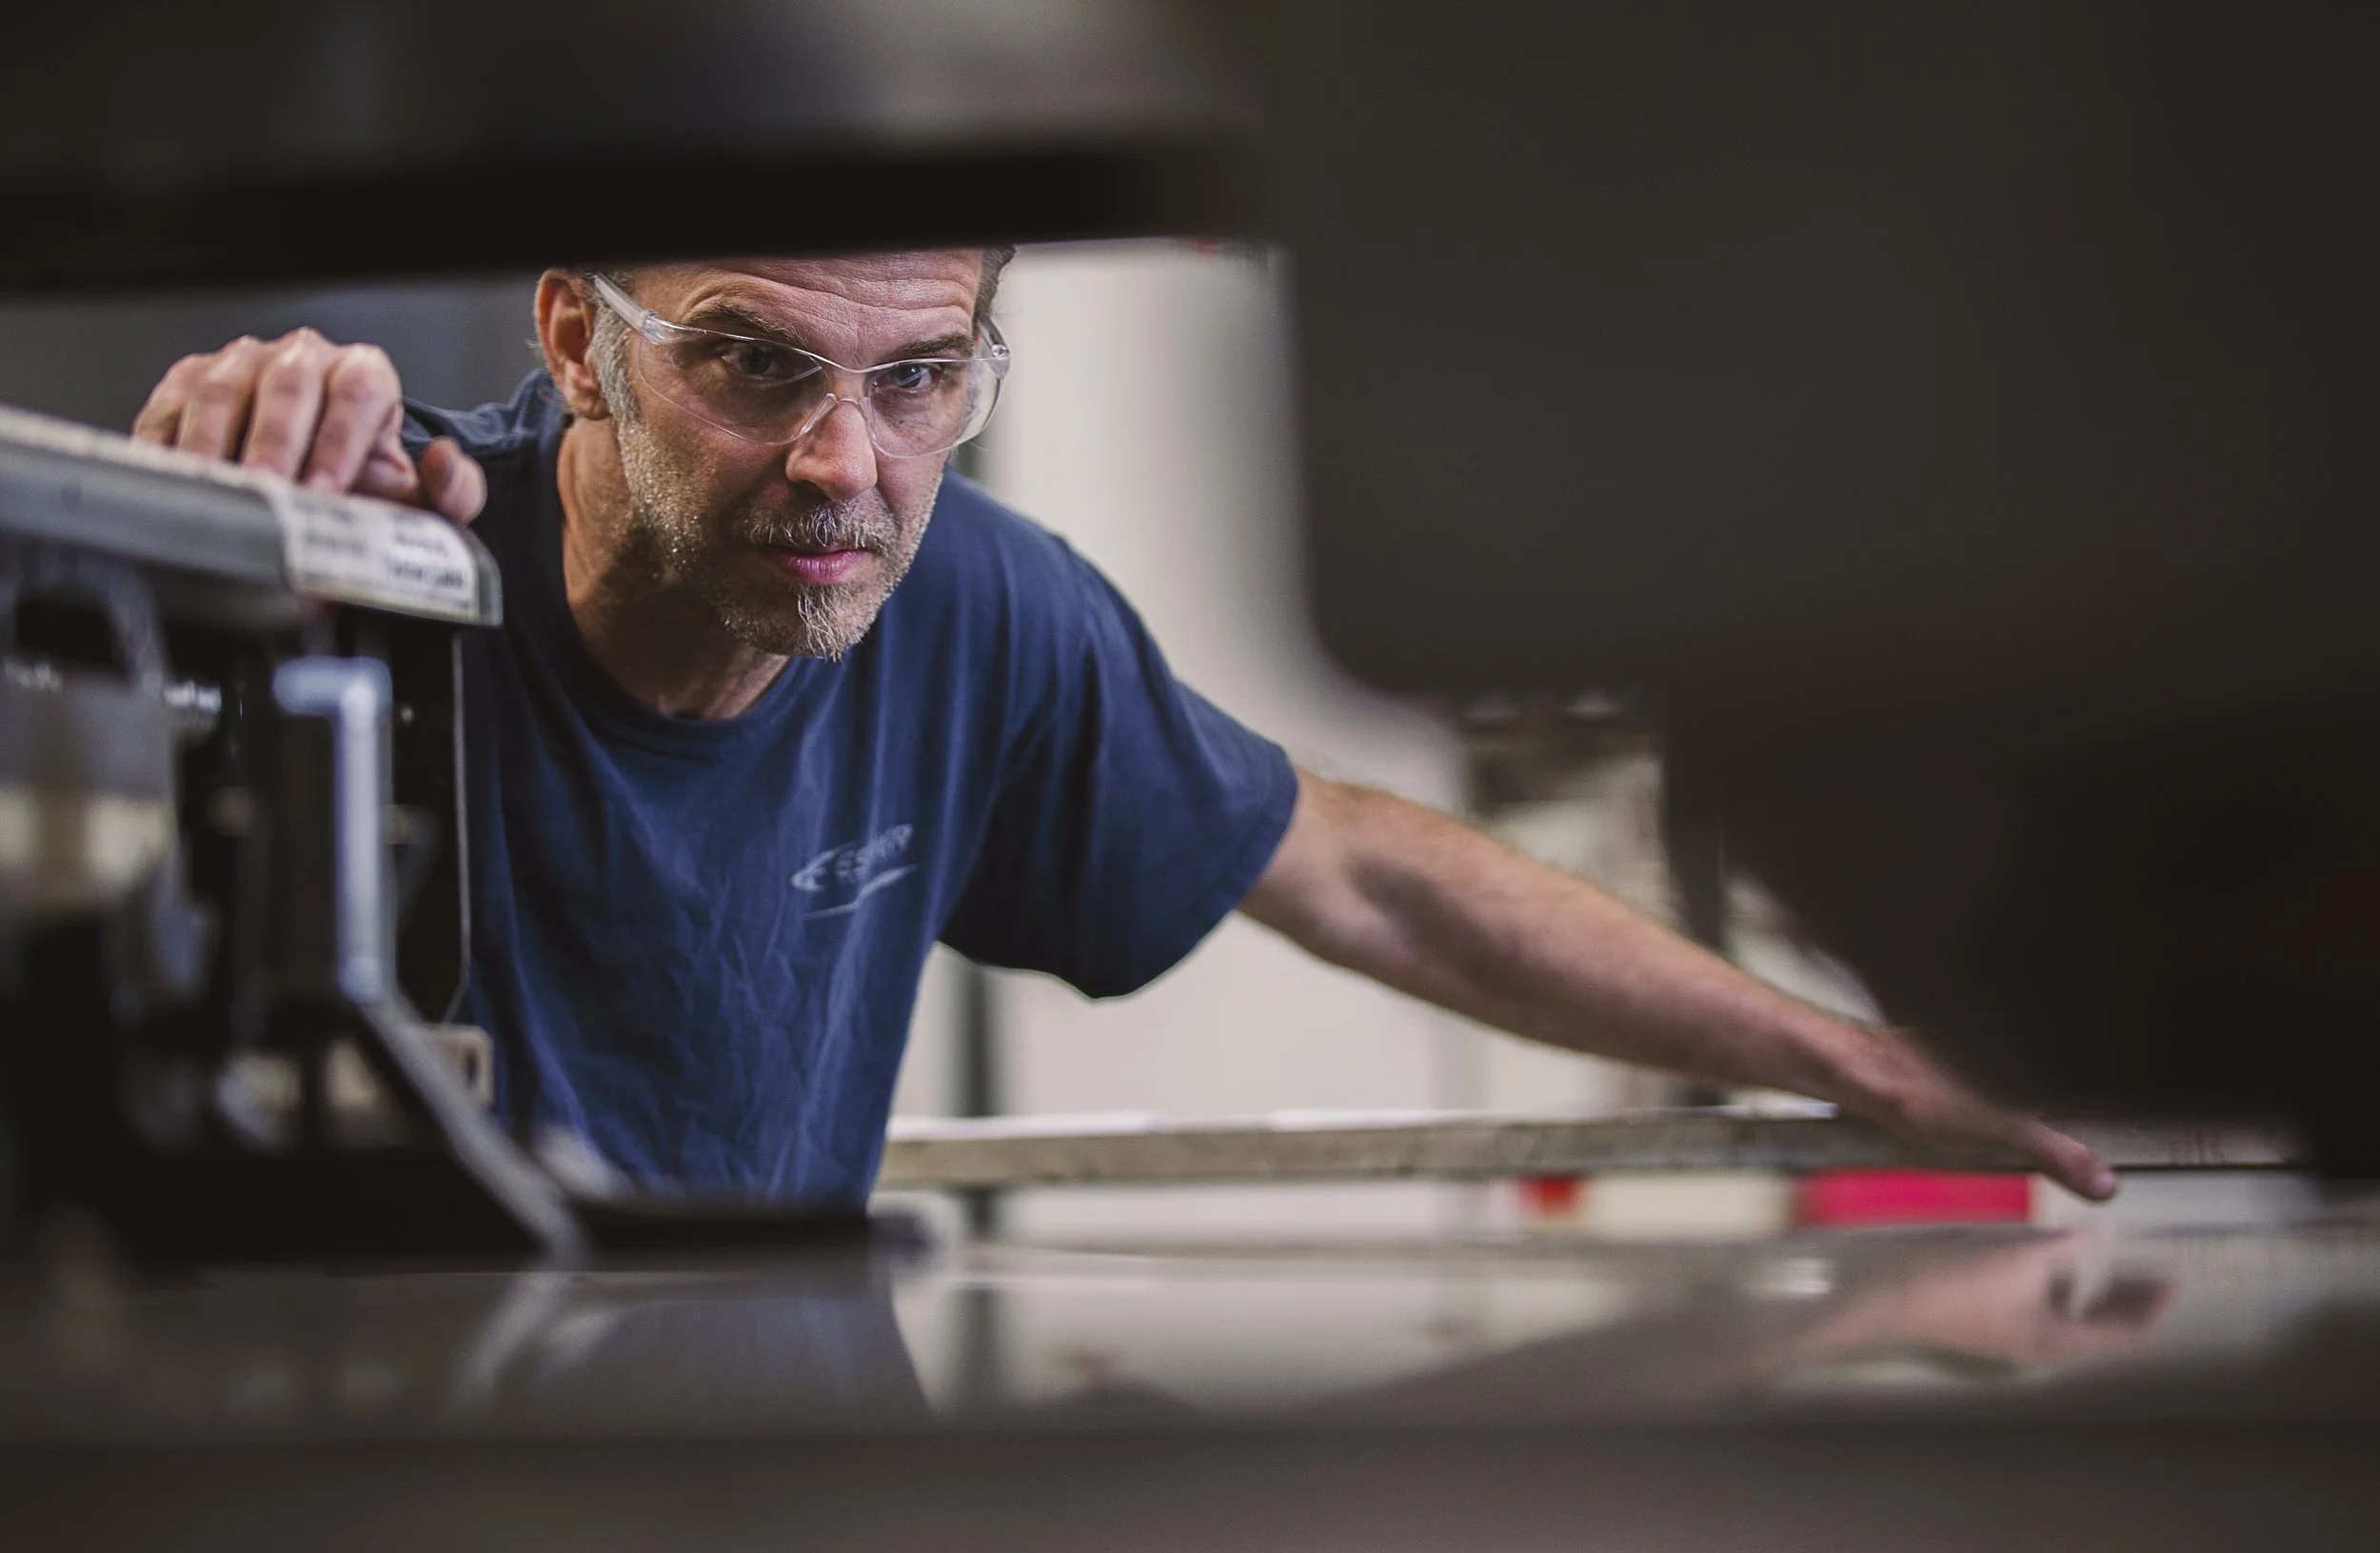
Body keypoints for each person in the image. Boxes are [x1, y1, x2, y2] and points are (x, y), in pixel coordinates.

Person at [129, 249, 2117, 1205]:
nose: (846, 465)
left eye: (919, 378)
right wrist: (205, 508)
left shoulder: (983, 608)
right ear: (577, 341)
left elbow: (1348, 867)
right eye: (751, 363)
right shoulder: (369, 554)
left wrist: (1851, 1057)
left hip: (782, 1488)